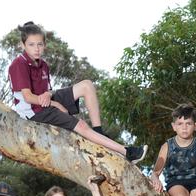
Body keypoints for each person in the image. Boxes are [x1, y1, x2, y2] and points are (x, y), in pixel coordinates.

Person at [8, 22, 147, 163]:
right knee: (81, 125)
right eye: (31, 44)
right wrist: (56, 104)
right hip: (33, 112)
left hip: (45, 101)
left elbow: (47, 90)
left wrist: (49, 94)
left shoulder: (43, 64)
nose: (36, 49)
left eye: (39, 44)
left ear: (44, 45)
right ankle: (127, 152)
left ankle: (98, 132)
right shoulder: (19, 64)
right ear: (23, 45)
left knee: (87, 85)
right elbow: (28, 97)